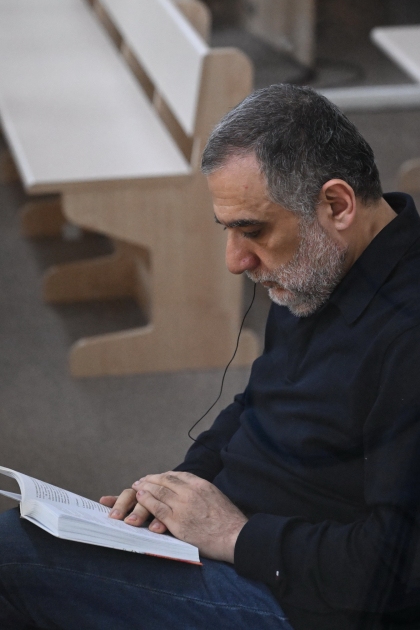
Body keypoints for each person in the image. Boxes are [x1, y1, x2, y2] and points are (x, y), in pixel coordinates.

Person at [1, 84, 420, 630]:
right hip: (235, 541)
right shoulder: (318, 267)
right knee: (32, 535)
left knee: (12, 556)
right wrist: (170, 493)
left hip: (302, 600)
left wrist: (232, 535)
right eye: (228, 230)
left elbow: (395, 567)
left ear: (337, 205)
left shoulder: (405, 337)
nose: (235, 261)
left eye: (252, 230)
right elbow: (257, 405)